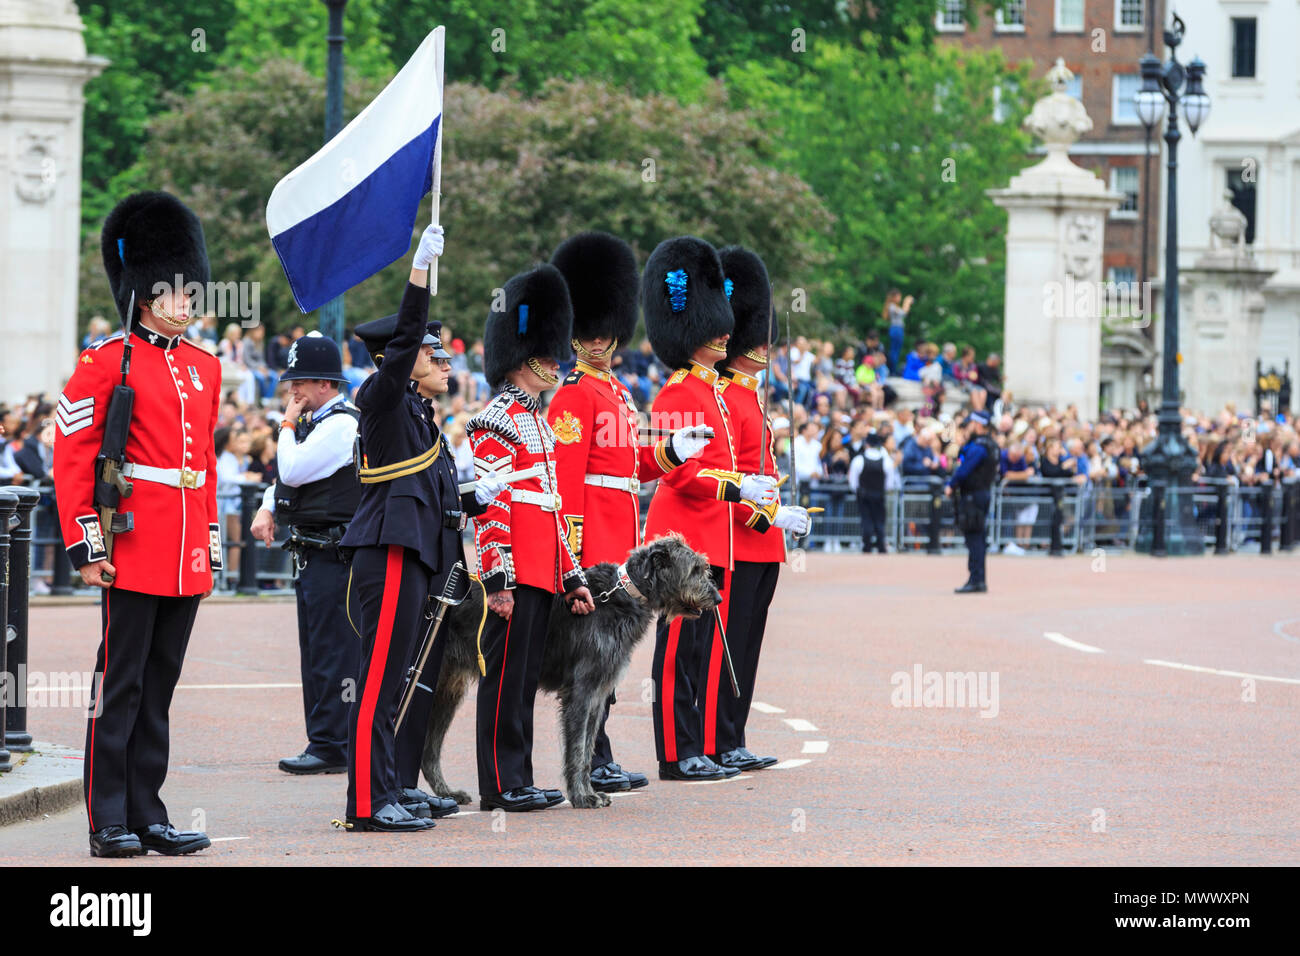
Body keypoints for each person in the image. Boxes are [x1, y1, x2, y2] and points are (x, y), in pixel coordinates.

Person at [52, 191, 220, 857]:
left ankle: (149, 812)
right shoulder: (104, 361)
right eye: (175, 292)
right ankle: (108, 818)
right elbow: (74, 458)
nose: (187, 303)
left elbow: (200, 466)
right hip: (132, 543)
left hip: (182, 550)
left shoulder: (204, 370)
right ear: (143, 292)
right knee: (119, 685)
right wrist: (88, 544)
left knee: (159, 687)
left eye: (190, 292)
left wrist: (208, 547)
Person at [334, 225, 494, 832]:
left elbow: (433, 494)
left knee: (395, 679)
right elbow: (403, 344)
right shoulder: (381, 396)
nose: (438, 361)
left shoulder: (418, 418)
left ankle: (385, 790)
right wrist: (419, 273)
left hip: (416, 553)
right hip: (389, 550)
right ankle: (367, 802)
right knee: (379, 678)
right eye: (431, 353)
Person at [546, 231, 713, 795]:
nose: (604, 340)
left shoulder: (614, 390)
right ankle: (593, 759)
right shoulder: (572, 394)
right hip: (593, 539)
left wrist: (672, 451)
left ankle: (598, 755)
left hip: (622, 533)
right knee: (594, 657)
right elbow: (567, 481)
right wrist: (571, 552)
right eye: (595, 331)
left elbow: (632, 466)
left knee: (610, 658)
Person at [640, 236, 778, 782]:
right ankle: (676, 753)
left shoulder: (713, 394)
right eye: (714, 324)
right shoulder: (678, 394)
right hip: (683, 541)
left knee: (699, 649)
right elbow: (679, 471)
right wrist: (738, 490)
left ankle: (698, 744)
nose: (727, 332)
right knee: (678, 651)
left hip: (712, 538)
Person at [468, 263, 596, 812]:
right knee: (503, 679)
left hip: (543, 565)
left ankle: (519, 776)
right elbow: (491, 505)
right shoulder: (494, 419)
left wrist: (571, 576)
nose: (556, 364)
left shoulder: (538, 422)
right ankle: (500, 783)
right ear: (522, 359)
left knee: (523, 679)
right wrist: (497, 578)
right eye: (546, 356)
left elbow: (551, 505)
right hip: (514, 568)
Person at [711, 245, 809, 771]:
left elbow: (760, 473)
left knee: (748, 648)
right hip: (741, 536)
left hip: (763, 539)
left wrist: (778, 513)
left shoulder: (750, 397)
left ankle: (735, 734)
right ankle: (722, 736)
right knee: (731, 648)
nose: (762, 346)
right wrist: (767, 514)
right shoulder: (726, 396)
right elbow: (730, 477)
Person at [249, 332, 361, 777]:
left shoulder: (340, 424)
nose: (292, 390)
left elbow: (291, 468)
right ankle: (326, 738)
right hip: (314, 552)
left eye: (302, 381)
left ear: (326, 384)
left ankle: (334, 742)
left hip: (335, 553)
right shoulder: (319, 422)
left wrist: (286, 424)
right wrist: (264, 506)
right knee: (315, 652)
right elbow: (284, 483)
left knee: (334, 652)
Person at [944, 409, 999, 593]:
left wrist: (951, 484)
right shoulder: (990, 445)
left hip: (973, 496)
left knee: (974, 539)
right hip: (981, 493)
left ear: (978, 424)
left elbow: (964, 469)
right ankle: (978, 578)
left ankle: (976, 579)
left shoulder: (978, 447)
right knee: (978, 538)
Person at [849, 429, 892, 553]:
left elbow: (853, 481)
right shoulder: (886, 460)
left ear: (866, 444)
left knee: (866, 519)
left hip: (864, 495)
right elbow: (889, 482)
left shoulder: (859, 460)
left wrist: (857, 490)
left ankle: (866, 545)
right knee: (879, 520)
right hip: (879, 494)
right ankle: (881, 546)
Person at [882, 288, 913, 374]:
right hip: (896, 329)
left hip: (898, 329)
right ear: (894, 297)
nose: (900, 298)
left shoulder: (894, 306)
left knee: (896, 350)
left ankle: (893, 369)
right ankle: (892, 370)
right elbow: (903, 313)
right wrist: (907, 302)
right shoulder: (891, 306)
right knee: (894, 351)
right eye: (899, 296)